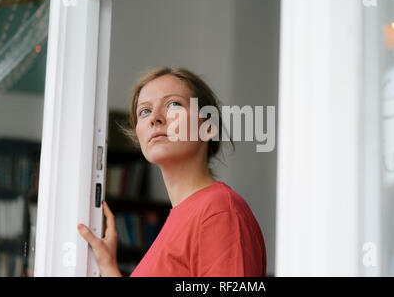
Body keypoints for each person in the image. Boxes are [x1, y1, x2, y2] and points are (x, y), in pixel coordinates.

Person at [77, 66, 267, 277]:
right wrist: (108, 266)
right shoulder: (182, 219)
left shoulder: (220, 212)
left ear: (209, 126)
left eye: (173, 104)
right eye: (144, 111)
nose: (154, 118)